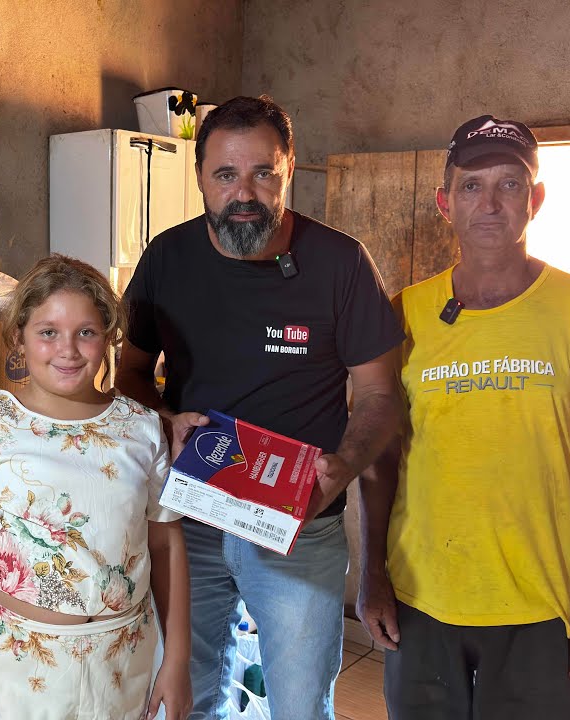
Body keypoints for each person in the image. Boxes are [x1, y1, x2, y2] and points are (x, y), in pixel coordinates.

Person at [117, 95, 405, 720]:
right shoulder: (168, 259)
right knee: (186, 698)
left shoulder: (340, 262)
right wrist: (164, 422)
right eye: (225, 174)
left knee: (300, 705)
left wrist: (344, 467)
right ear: (199, 179)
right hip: (189, 514)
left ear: (289, 170)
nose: (243, 193)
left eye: (262, 173)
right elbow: (132, 374)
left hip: (298, 523)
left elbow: (381, 394)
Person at [356, 115, 570, 720]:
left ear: (535, 200)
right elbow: (381, 456)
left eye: (510, 185)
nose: (490, 204)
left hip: (540, 604)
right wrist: (372, 575)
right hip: (422, 599)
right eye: (471, 185)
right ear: (444, 202)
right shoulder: (403, 314)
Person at [0, 254, 193, 720]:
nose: (68, 350)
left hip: (126, 664)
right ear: (19, 338)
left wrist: (178, 660)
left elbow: (166, 544)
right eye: (48, 332)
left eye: (86, 332)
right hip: (19, 670)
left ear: (109, 338)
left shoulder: (141, 427)